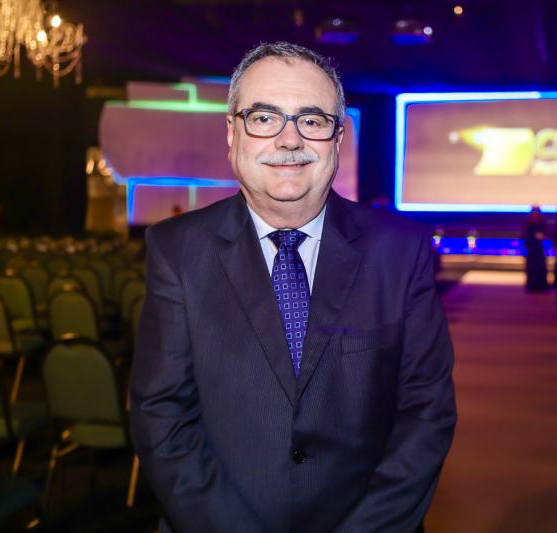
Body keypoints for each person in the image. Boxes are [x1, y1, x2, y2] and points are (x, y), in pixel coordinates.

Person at [129, 42, 457, 533]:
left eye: (312, 119)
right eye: (264, 118)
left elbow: (425, 414)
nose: (289, 140)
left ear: (338, 137)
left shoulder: (401, 251)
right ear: (232, 133)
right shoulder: (176, 249)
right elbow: (162, 416)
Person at [524, 206, 548, 292]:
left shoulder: (541, 224)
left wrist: (542, 236)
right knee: (531, 269)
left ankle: (541, 287)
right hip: (531, 250)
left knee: (540, 269)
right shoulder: (528, 224)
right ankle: (532, 286)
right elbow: (524, 236)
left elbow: (546, 234)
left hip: (539, 250)